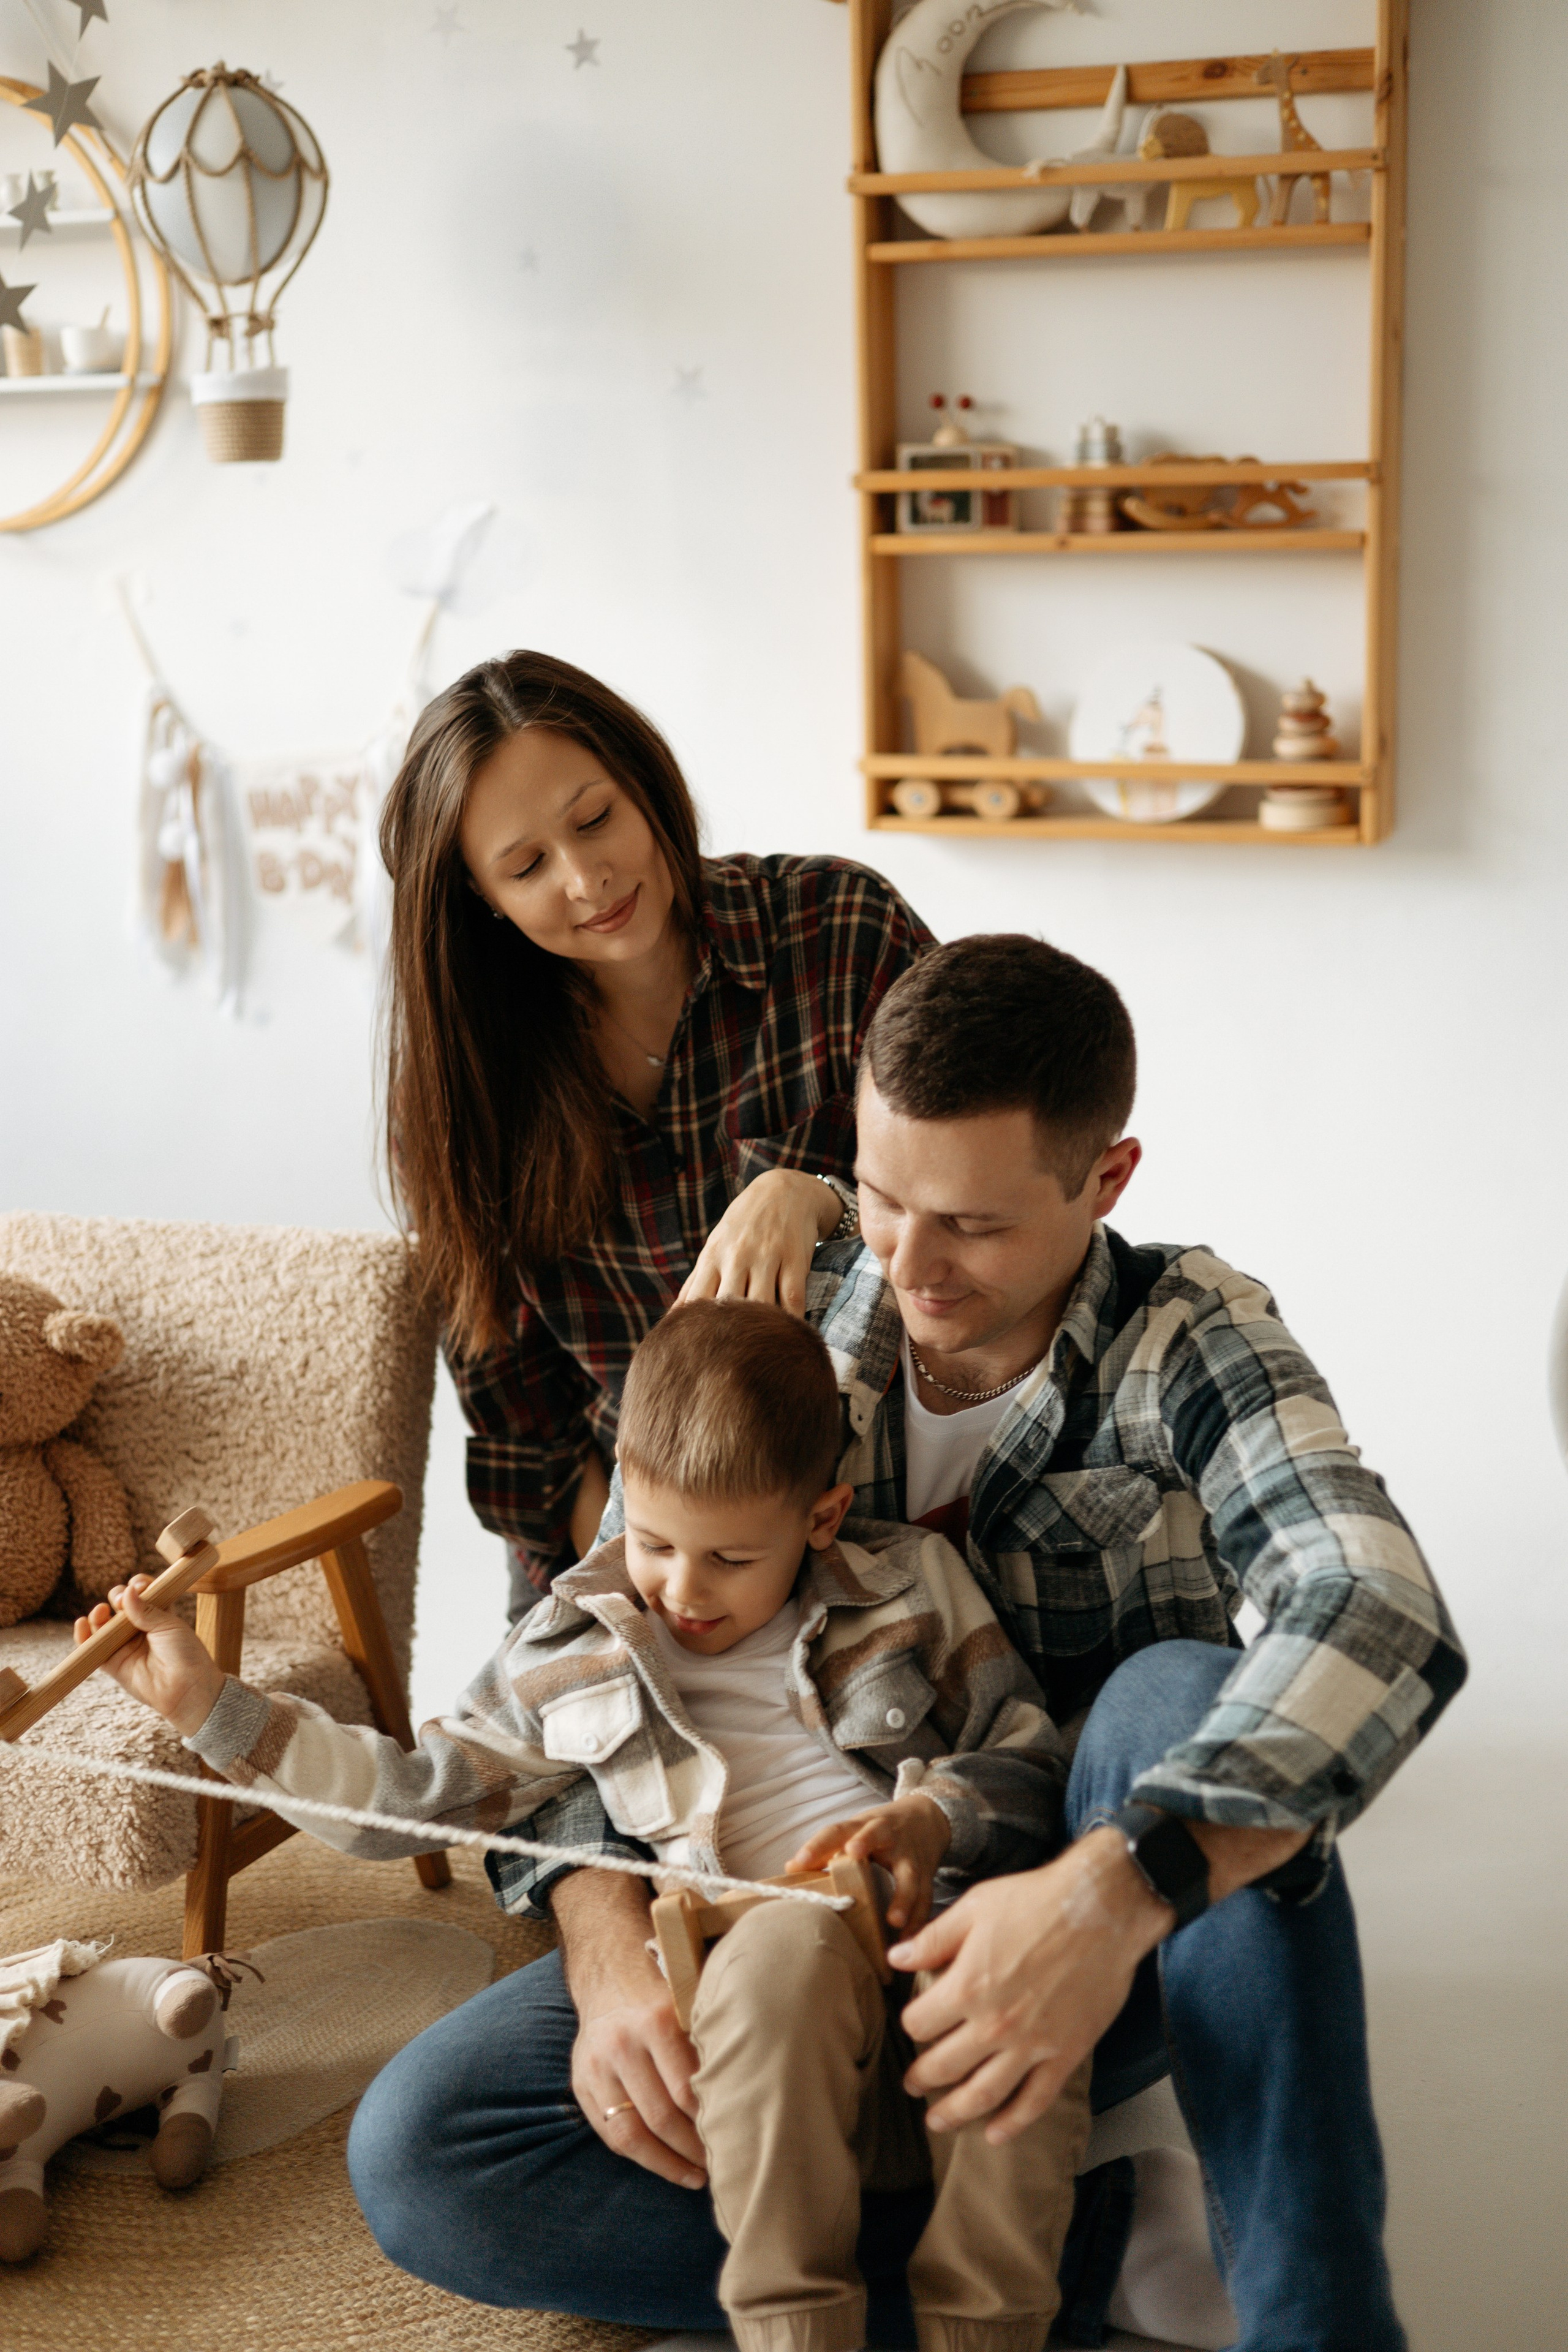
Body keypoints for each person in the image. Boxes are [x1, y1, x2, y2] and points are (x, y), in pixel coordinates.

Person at [348, 933, 1466, 2352]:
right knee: (424, 2161)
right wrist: (604, 1933)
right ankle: (1099, 2246)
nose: (908, 1266)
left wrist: (1106, 1896)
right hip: (768, 1918)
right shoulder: (790, 1304)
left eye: (975, 1226)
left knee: (1176, 1693)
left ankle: (1311, 2322)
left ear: (1104, 1180)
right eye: (877, 1197)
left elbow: (1375, 1606)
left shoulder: (1188, 1333)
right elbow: (585, 1644)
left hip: (1077, 1921)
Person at [77, 1297, 1088, 2352]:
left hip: (932, 1936)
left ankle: (1005, 2318)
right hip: (767, 1991)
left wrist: (930, 1818)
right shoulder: (563, 1647)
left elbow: (1026, 1759)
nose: (685, 1591)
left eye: (733, 1560)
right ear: (623, 1502)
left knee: (1006, 1990)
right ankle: (801, 2327)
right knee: (780, 1954)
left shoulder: (910, 1584)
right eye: (653, 1542)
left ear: (822, 1519)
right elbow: (402, 1805)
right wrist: (209, 1708)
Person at [379, 649, 932, 1616]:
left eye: (596, 820)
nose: (589, 880)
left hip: (880, 1517)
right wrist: (624, 1558)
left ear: (645, 782)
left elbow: (977, 1202)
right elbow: (506, 1381)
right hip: (632, 1544)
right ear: (481, 898)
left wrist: (821, 1199)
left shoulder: (840, 931)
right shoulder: (474, 1082)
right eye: (527, 866)